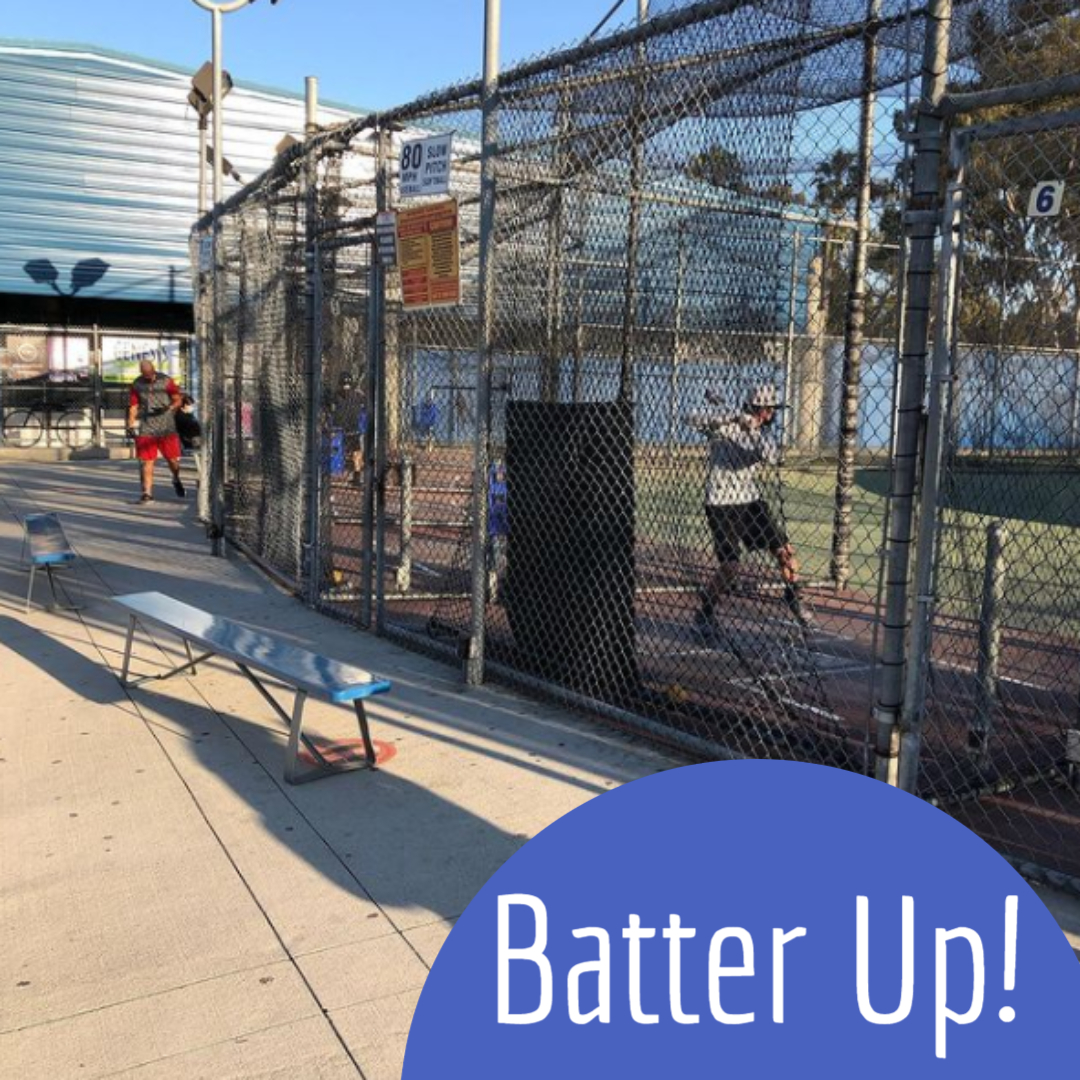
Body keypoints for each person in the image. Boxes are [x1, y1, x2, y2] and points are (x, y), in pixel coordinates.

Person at [686, 383, 814, 635]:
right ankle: (706, 611)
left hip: (751, 501)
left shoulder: (763, 434)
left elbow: (773, 457)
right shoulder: (724, 424)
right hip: (720, 502)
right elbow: (691, 416)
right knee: (731, 567)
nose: (772, 414)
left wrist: (753, 430)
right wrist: (733, 417)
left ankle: (793, 595)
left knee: (784, 551)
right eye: (769, 409)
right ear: (759, 408)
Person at [126, 360, 184, 503]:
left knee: (172, 461)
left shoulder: (165, 380)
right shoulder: (137, 384)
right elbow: (133, 406)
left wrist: (168, 408)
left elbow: (178, 400)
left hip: (166, 427)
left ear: (154, 370)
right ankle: (147, 493)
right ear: (141, 373)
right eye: (146, 375)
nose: (149, 378)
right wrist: (130, 425)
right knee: (147, 462)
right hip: (147, 427)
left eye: (151, 374)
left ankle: (176, 478)